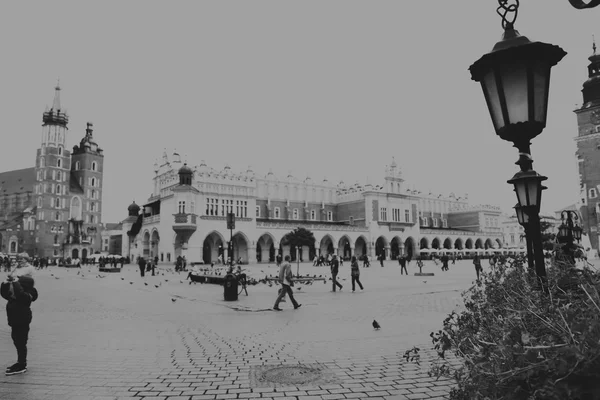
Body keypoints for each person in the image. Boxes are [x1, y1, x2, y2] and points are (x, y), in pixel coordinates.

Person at [1, 272, 38, 375]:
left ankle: (22, 364)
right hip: (14, 320)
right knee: (16, 340)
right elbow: (5, 294)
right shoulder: (17, 291)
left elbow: (21, 295)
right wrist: (5, 283)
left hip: (22, 320)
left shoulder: (30, 292)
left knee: (21, 342)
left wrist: (15, 283)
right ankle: (19, 362)